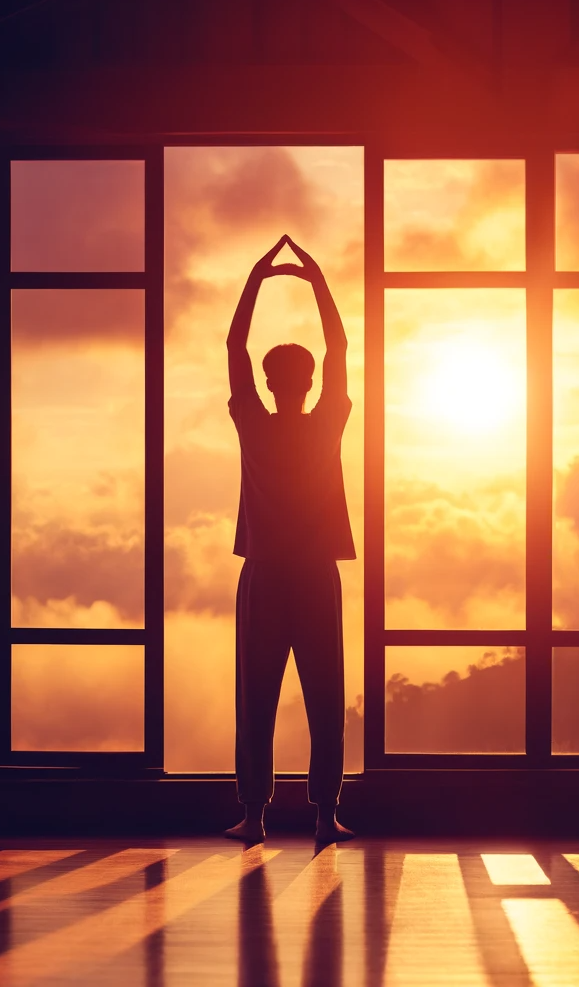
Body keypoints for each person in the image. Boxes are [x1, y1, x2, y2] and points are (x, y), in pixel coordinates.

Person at [223, 234, 355, 847]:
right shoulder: (327, 423)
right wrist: (315, 277)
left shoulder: (254, 423)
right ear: (308, 383)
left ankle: (255, 816)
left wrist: (257, 277)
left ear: (271, 383)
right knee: (324, 693)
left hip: (266, 576)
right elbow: (340, 346)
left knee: (257, 696)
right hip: (315, 574)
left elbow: (234, 345)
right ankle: (325, 815)